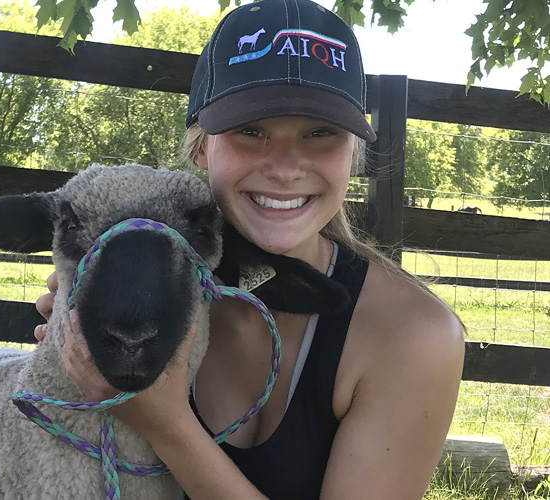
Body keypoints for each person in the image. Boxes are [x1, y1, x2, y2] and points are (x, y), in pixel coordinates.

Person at [34, 1, 465, 498]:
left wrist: (164, 422)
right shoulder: (146, 284)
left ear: (354, 153)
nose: (284, 168)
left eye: (321, 133)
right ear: (201, 146)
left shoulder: (413, 337)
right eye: (250, 130)